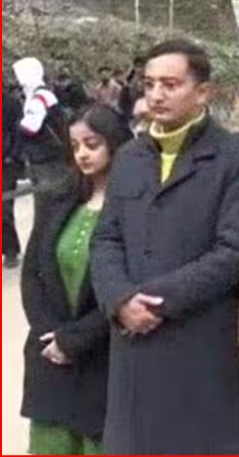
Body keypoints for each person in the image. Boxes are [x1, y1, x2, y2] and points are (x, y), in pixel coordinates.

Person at [91, 39, 239, 455]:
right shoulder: (129, 157)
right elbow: (107, 237)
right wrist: (120, 299)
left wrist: (154, 302)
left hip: (200, 346)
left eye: (170, 85)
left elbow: (235, 251)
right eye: (150, 84)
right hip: (133, 349)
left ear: (203, 92)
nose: (156, 95)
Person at [20, 104, 133, 455]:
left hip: (104, 358)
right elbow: (33, 274)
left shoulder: (135, 207)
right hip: (50, 356)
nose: (82, 153)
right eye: (75, 145)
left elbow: (130, 286)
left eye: (92, 144)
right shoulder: (58, 198)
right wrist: (49, 334)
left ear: (115, 143)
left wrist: (77, 340)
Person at [12, 57, 73, 233]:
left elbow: (31, 127)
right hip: (45, 159)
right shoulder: (40, 95)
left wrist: (16, 125)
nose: (19, 80)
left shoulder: (40, 98)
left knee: (47, 209)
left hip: (48, 160)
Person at [2, 88, 24, 268]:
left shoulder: (11, 103)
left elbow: (19, 133)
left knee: (4, 209)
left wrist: (13, 156)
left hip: (7, 163)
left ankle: (10, 250)